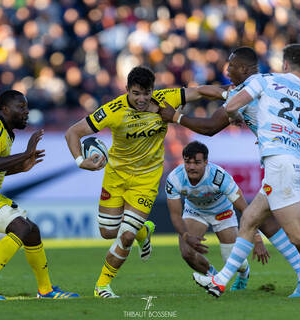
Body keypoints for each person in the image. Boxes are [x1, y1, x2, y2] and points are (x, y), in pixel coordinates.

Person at [65, 66, 227, 298]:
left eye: (146, 93)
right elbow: (72, 132)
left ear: (153, 90)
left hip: (146, 179)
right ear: (127, 91)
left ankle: (101, 286)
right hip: (116, 176)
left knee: (126, 235)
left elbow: (200, 91)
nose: (142, 99)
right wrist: (81, 161)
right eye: (136, 93)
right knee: (108, 232)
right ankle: (144, 232)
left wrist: (228, 94)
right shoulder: (112, 110)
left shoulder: (165, 99)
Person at [160, 47, 300, 289]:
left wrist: (175, 117)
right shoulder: (271, 81)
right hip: (297, 152)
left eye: (231, 67)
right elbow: (215, 92)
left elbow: (210, 126)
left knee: (297, 232)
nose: (227, 71)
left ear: (246, 69)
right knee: (255, 219)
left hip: (288, 156)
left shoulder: (250, 88)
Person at [0, 90, 79, 300]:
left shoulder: (5, 131)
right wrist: (25, 153)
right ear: (4, 109)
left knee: (31, 231)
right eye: (21, 107)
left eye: (26, 106)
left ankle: (45, 290)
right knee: (20, 226)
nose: (26, 111)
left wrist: (21, 166)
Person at [166, 141, 268, 290]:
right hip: (195, 211)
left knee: (231, 259)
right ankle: (213, 278)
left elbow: (245, 210)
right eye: (188, 162)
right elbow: (175, 215)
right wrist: (186, 236)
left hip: (222, 211)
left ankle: (244, 273)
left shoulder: (219, 177)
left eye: (197, 162)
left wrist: (257, 239)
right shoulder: (175, 179)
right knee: (187, 252)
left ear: (206, 162)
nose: (192, 167)